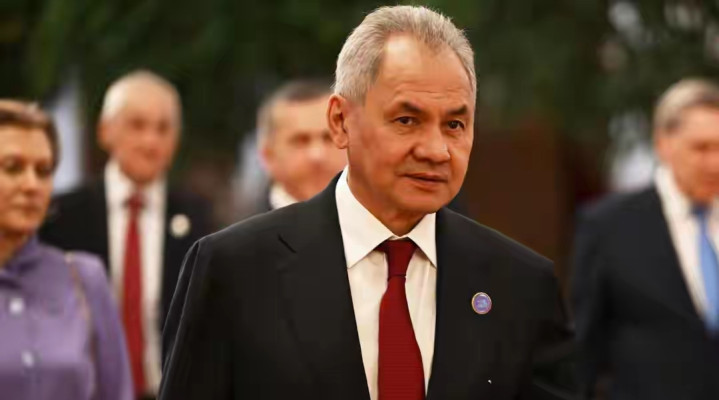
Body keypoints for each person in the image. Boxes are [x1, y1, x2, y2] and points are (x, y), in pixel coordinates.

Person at [160, 6, 573, 400]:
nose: (436, 150)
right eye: (406, 120)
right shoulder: (234, 271)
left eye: (454, 124)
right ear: (340, 121)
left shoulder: (520, 286)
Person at [39, 71, 212, 399]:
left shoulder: (199, 219)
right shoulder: (59, 216)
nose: (150, 142)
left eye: (163, 128)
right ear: (105, 131)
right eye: (137, 125)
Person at [572, 78, 719, 399]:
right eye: (701, 148)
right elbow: (583, 350)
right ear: (663, 144)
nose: (715, 163)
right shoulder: (608, 226)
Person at [0, 100, 132, 400]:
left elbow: (117, 392)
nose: (31, 185)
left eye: (43, 171)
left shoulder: (85, 278)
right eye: (12, 168)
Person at [255, 79, 347, 211]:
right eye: (301, 141)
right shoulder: (240, 223)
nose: (318, 155)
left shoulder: (373, 219)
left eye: (329, 138)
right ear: (268, 156)